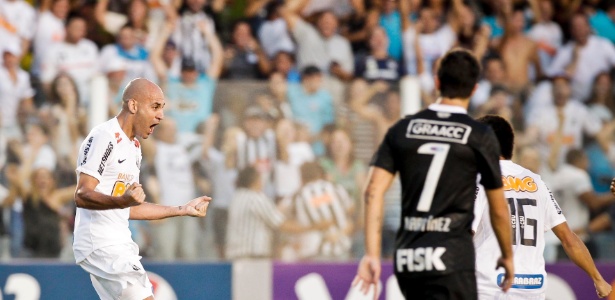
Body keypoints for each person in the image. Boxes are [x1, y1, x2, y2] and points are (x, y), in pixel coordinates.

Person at [353, 49, 514, 299]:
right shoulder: (479, 135)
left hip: (409, 258)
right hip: (451, 259)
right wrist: (507, 255)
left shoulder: (403, 129)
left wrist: (372, 254)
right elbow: (498, 207)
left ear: (437, 82)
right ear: (474, 89)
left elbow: (372, 191)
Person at [73, 78, 211, 300]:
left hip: (120, 242)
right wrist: (123, 201)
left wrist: (181, 209)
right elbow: (82, 195)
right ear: (133, 106)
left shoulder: (135, 147)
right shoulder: (104, 137)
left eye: (162, 109)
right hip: (102, 243)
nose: (161, 116)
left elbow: (130, 208)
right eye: (155, 106)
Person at [473, 115, 612, 299]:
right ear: (511, 147)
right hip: (532, 287)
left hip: (489, 285)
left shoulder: (479, 178)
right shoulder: (537, 182)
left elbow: (465, 233)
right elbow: (568, 238)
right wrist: (598, 279)